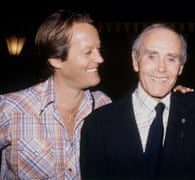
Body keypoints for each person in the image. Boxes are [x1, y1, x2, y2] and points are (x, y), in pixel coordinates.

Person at [80, 23, 195, 179]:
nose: (161, 68)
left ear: (180, 67)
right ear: (135, 60)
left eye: (171, 59)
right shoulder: (98, 125)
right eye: (152, 56)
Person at [0, 9, 112, 179]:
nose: (100, 58)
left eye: (98, 49)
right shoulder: (11, 107)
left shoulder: (105, 105)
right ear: (55, 59)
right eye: (88, 52)